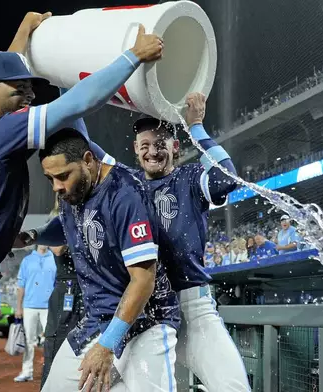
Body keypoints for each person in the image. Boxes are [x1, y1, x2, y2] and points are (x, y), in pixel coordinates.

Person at [0, 10, 165, 391]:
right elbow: (76, 103)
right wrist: (132, 56)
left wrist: (23, 32)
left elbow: (0, 74)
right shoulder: (0, 132)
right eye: (19, 92)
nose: (25, 99)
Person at [89, 93, 251, 390]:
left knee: (234, 388)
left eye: (161, 144)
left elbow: (227, 177)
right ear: (135, 150)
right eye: (145, 145)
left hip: (193, 309)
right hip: (147, 316)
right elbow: (85, 149)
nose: (153, 151)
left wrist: (197, 126)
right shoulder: (128, 187)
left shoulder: (190, 177)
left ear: (176, 147)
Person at [22, 128, 180, 391]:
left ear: (87, 159)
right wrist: (31, 236)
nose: (57, 187)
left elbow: (143, 280)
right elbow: (69, 224)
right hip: (97, 321)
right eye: (50, 178)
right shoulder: (74, 191)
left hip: (146, 324)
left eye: (62, 176)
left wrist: (107, 344)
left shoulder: (126, 193)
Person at [41, 223, 83, 389]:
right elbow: (58, 249)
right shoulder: (60, 223)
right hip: (66, 290)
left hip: (88, 289)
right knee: (56, 345)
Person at [14, 245, 56, 382]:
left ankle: (52, 372)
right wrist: (18, 307)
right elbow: (21, 285)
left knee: (51, 340)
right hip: (29, 306)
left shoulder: (54, 259)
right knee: (28, 341)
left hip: (49, 306)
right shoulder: (27, 260)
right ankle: (27, 371)